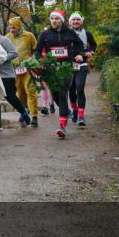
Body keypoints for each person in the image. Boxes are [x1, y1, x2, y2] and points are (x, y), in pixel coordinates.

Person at [33, 9, 85, 140]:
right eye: (52, 19)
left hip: (67, 68)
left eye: (56, 19)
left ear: (61, 20)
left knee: (62, 93)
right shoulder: (45, 34)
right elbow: (37, 50)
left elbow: (79, 44)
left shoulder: (70, 32)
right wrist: (40, 61)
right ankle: (66, 111)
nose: (54, 21)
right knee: (55, 95)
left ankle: (62, 126)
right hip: (51, 69)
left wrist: (79, 54)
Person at [0, 22, 32, 130]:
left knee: (9, 96)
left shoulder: (4, 40)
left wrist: (2, 58)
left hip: (6, 74)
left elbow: (14, 53)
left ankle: (23, 112)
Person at [7, 17, 40, 127]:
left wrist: (33, 61)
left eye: (14, 27)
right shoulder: (7, 38)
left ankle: (34, 116)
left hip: (28, 68)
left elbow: (36, 49)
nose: (12, 30)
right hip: (14, 69)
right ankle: (24, 111)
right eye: (10, 27)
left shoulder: (29, 36)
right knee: (20, 93)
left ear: (19, 26)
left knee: (30, 90)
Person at [67, 12, 97, 127]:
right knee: (71, 89)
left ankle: (81, 115)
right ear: (70, 22)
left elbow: (94, 45)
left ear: (81, 22)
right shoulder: (66, 34)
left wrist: (89, 53)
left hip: (82, 65)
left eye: (78, 20)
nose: (76, 22)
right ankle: (74, 109)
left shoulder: (87, 33)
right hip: (68, 66)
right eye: (73, 20)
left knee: (79, 88)